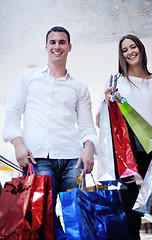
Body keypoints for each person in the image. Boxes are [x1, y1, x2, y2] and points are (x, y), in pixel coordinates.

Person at [2, 26, 98, 199]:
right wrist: (18, 145)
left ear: (70, 47)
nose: (57, 46)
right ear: (45, 46)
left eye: (62, 42)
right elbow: (12, 114)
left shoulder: (80, 87)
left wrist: (89, 150)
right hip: (37, 159)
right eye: (52, 42)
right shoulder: (28, 77)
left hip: (73, 161)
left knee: (75, 219)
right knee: (42, 218)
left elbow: (86, 125)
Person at [96, 34, 152, 240]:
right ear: (121, 55)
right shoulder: (115, 81)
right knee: (131, 208)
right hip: (127, 154)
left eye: (133, 47)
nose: (130, 52)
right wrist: (106, 102)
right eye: (125, 50)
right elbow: (100, 120)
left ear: (141, 49)